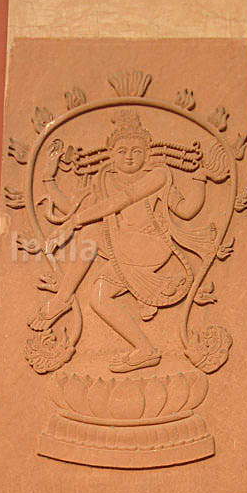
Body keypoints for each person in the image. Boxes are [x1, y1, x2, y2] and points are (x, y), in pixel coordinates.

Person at [29, 110, 218, 373]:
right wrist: (48, 179)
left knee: (92, 232)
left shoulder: (158, 175)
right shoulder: (105, 182)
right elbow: (73, 209)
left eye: (136, 151)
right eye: (122, 151)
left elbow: (181, 210)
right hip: (120, 249)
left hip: (152, 247)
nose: (129, 156)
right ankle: (145, 350)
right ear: (111, 154)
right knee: (99, 296)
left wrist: (200, 178)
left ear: (147, 154)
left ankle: (61, 300)